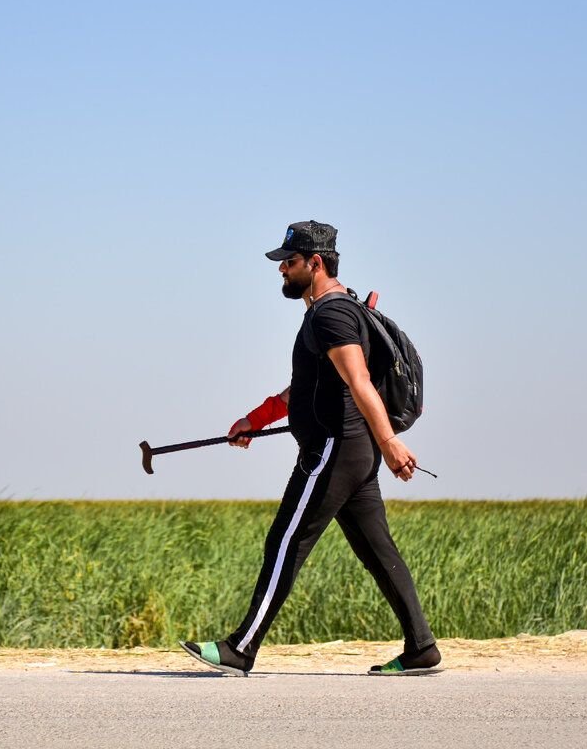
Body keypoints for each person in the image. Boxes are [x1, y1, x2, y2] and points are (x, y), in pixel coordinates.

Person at [179, 220, 441, 677]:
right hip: (350, 453)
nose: (282, 270)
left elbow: (359, 381)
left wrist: (391, 442)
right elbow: (304, 388)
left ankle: (241, 648)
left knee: (284, 541)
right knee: (377, 550)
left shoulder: (332, 314)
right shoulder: (329, 312)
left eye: (290, 262)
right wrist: (255, 420)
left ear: (315, 263)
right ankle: (421, 647)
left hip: (334, 452)